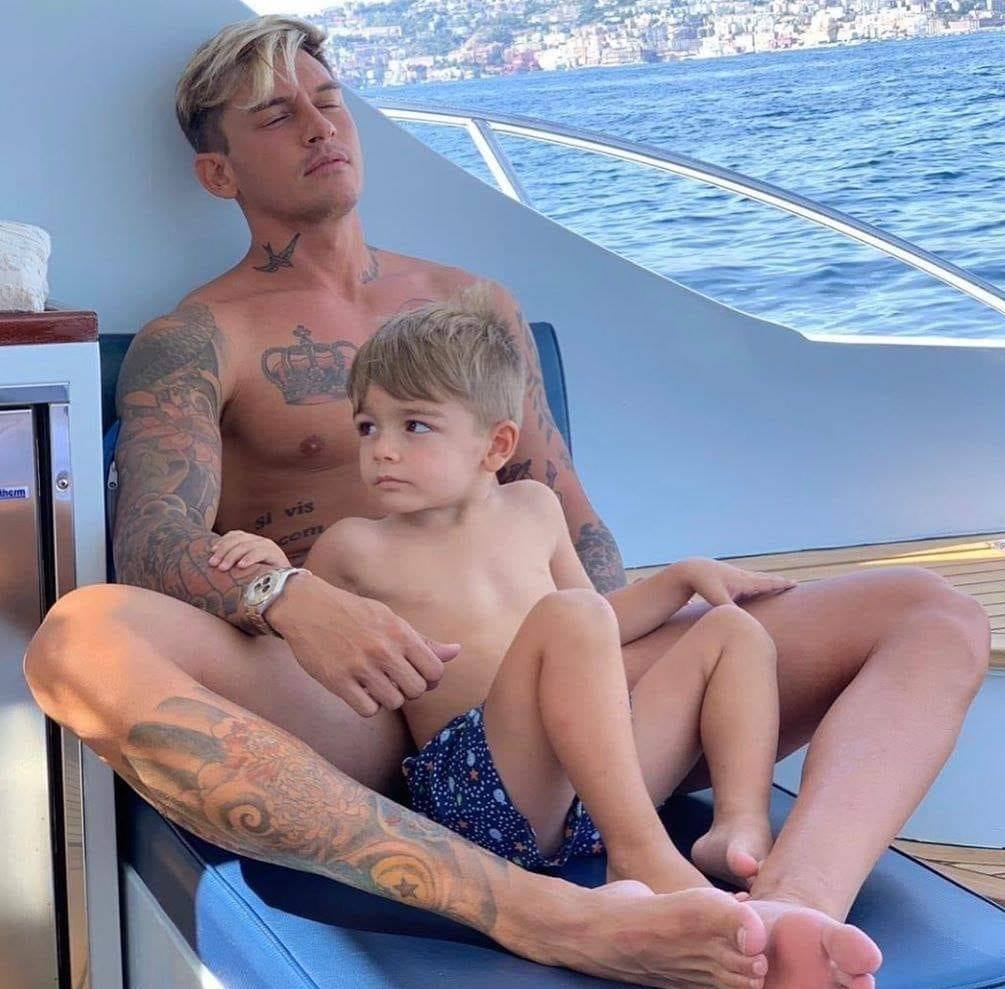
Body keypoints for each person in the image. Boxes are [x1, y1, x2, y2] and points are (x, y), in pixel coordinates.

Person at [22, 14, 988, 989]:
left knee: (929, 610)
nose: (320, 126)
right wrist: (289, 597)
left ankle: (787, 912)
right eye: (276, 115)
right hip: (353, 700)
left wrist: (621, 655)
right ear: (218, 173)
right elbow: (153, 541)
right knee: (77, 638)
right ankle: (540, 913)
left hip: (542, 678)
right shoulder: (198, 337)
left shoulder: (474, 307)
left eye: (329, 100)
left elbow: (566, 511)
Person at [211, 289, 788, 912]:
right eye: (368, 427)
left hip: (594, 780)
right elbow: (309, 658)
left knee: (731, 629)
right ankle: (640, 852)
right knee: (570, 615)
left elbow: (600, 627)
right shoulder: (355, 546)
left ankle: (738, 824)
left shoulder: (536, 507)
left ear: (496, 446)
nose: (382, 449)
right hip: (480, 789)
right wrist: (277, 570)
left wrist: (680, 579)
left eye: (415, 425)